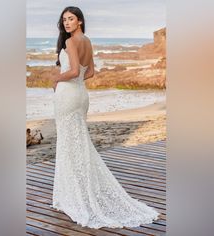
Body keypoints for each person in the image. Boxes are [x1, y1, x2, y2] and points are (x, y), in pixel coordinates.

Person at [50, 6, 160, 229]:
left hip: (67, 94)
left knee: (69, 144)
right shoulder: (87, 41)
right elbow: (89, 73)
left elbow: (72, 72)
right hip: (80, 95)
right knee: (79, 143)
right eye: (64, 20)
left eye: (71, 19)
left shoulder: (71, 42)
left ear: (79, 20)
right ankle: (78, 192)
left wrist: (56, 80)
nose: (66, 23)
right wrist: (74, 79)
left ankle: (73, 196)